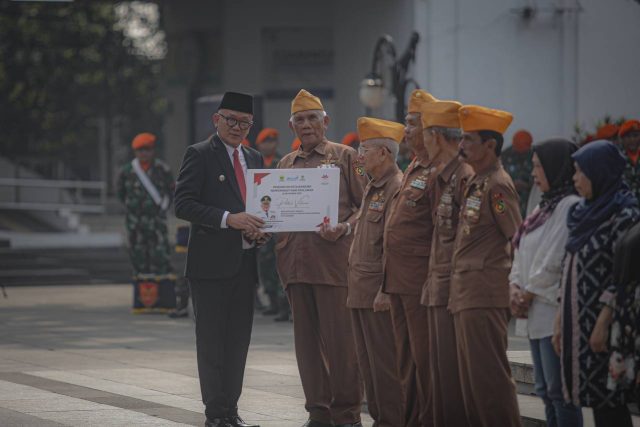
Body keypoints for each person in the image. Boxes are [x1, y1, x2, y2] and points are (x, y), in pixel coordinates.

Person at [174, 91, 266, 427]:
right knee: (212, 343)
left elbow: (260, 207)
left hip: (245, 263)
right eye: (231, 120)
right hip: (210, 267)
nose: (237, 127)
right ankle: (215, 414)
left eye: (245, 122)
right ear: (217, 119)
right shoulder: (199, 154)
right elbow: (183, 204)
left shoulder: (254, 157)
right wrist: (229, 219)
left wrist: (260, 230)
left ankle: (231, 411)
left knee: (238, 342)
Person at [275, 89, 366, 427]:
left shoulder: (346, 157)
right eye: (299, 119)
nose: (307, 124)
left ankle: (347, 414)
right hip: (295, 266)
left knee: (342, 344)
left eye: (313, 118)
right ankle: (318, 412)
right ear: (292, 126)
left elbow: (367, 205)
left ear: (325, 121)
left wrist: (344, 227)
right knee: (307, 346)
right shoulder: (285, 164)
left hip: (333, 265)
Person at [552, 140, 639, 427]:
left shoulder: (624, 215)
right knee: (596, 402)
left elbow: (625, 274)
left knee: (610, 402)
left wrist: (603, 320)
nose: (575, 178)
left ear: (600, 172)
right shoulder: (582, 212)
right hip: (578, 323)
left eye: (581, 171)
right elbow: (569, 265)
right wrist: (559, 318)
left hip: (608, 326)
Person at [452, 105, 523, 427]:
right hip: (467, 292)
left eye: (468, 139)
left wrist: (516, 287)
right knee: (472, 380)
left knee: (489, 378)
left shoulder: (497, 185)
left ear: (490, 145)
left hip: (485, 292)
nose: (461, 145)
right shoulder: (477, 181)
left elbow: (516, 238)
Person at [509, 138, 583, 427]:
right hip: (532, 310)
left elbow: (554, 256)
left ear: (555, 167)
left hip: (553, 310)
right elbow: (521, 249)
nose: (533, 173)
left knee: (560, 392)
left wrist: (526, 292)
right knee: (544, 391)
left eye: (538, 166)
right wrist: (514, 286)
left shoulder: (569, 206)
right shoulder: (542, 207)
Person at [382, 88, 437, 426]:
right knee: (405, 359)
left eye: (412, 123)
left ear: (430, 129)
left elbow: (440, 231)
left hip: (420, 281)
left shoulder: (438, 169)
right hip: (399, 280)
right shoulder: (415, 165)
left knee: (425, 358)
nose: (406, 130)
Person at [347, 117, 405, 427]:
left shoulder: (396, 187)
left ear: (383, 153)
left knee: (386, 367)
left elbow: (395, 245)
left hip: (377, 293)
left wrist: (386, 289)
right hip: (360, 290)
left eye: (364, 150)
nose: (359, 157)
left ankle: (392, 421)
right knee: (368, 367)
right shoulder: (374, 185)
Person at [419, 100, 473, 427]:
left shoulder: (464, 177)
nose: (422, 141)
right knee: (440, 376)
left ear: (437, 136)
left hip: (455, 290)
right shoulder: (441, 176)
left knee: (454, 377)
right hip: (437, 287)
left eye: (425, 134)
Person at [117, 133, 176, 313]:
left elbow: (171, 191)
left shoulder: (162, 169)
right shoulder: (127, 171)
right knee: (138, 258)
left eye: (147, 149)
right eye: (140, 150)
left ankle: (164, 301)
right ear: (135, 151)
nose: (143, 153)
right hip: (135, 224)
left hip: (157, 222)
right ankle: (143, 302)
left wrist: (162, 208)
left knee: (161, 257)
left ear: (153, 150)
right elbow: (121, 194)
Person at [254, 128, 289, 320]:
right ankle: (272, 301)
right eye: (265, 142)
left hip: (280, 219)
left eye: (272, 141)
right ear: (259, 144)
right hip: (260, 220)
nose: (269, 145)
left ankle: (284, 305)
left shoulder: (283, 162)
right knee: (264, 263)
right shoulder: (254, 162)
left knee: (280, 262)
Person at [502, 129, 534, 217]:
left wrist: (527, 185)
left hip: (528, 200)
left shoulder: (534, 156)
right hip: (509, 199)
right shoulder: (505, 156)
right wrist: (511, 184)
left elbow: (539, 179)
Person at [619, 120, 640, 200]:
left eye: (635, 136)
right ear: (622, 139)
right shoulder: (617, 158)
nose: (632, 140)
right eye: (628, 136)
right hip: (624, 203)